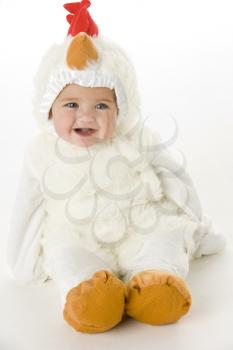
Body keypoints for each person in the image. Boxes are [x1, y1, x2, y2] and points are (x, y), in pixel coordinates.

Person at [6, 0, 226, 334]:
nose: (86, 115)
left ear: (120, 110)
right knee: (66, 256)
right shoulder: (42, 154)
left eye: (101, 105)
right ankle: (89, 293)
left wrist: (198, 227)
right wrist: (21, 263)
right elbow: (27, 207)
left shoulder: (139, 139)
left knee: (163, 237)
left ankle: (156, 279)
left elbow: (176, 179)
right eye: (71, 103)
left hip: (142, 224)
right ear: (48, 110)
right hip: (78, 237)